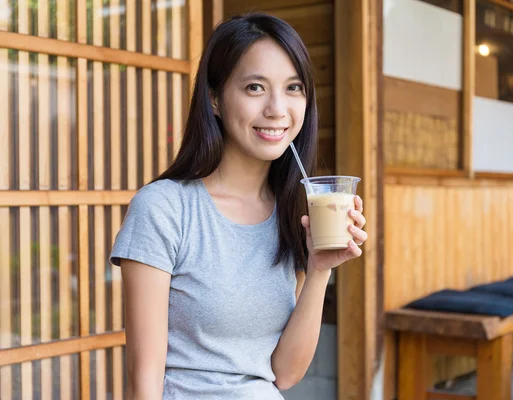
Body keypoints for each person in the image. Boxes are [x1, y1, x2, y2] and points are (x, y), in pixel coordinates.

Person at [109, 12, 368, 400]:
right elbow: (144, 380)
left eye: (293, 87)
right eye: (255, 88)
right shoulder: (164, 208)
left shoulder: (293, 211)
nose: (278, 109)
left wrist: (319, 270)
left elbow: (284, 374)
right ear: (214, 98)